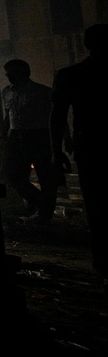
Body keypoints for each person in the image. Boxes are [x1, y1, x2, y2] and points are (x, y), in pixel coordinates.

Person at [53, 24, 106, 280]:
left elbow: (58, 116)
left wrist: (57, 149)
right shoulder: (71, 75)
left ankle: (103, 259)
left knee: (96, 204)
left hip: (90, 145)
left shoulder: (71, 75)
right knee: (96, 204)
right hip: (90, 146)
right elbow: (58, 116)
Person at [1, 59, 59, 222]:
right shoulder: (7, 91)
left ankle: (43, 209)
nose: (8, 76)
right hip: (16, 134)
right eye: (8, 73)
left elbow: (54, 116)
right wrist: (6, 132)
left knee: (44, 174)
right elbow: (9, 113)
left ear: (23, 73)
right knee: (13, 175)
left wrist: (61, 138)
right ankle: (42, 204)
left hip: (38, 135)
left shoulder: (42, 92)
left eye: (12, 73)